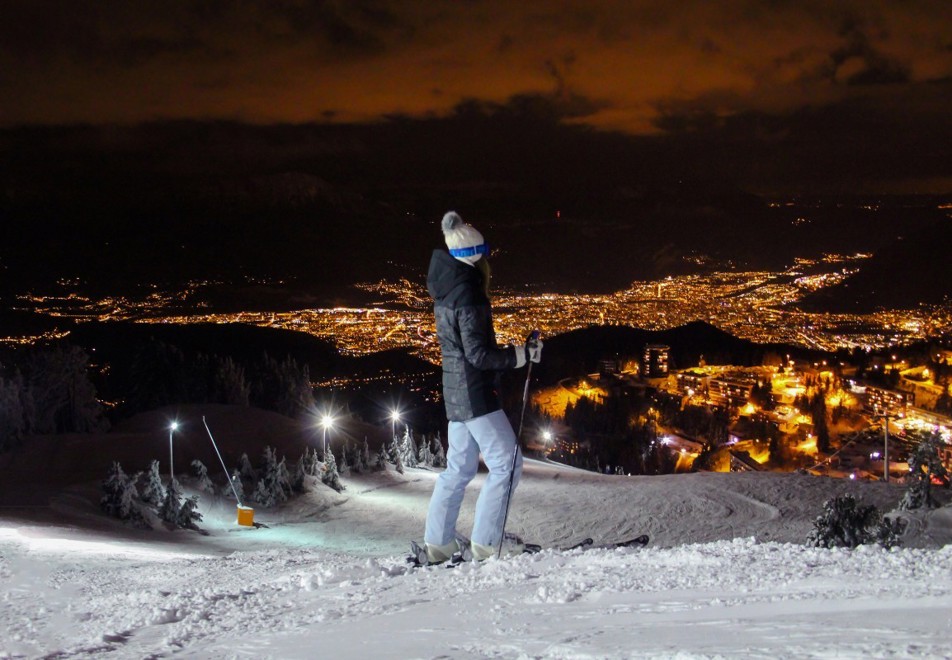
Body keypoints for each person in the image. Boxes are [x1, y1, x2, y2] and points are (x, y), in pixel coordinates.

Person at [423, 211, 542, 563]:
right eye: (484, 249)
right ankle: (488, 543)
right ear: (474, 253)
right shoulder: (469, 292)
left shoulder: (446, 287)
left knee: (458, 470)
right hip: (475, 394)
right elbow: (478, 354)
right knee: (508, 462)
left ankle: (438, 544)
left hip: (455, 393)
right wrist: (522, 356)